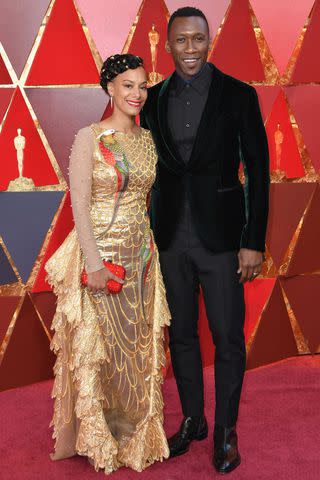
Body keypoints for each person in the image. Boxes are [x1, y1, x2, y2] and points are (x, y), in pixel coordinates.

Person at [140, 6, 269, 475]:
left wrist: (253, 241)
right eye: (181, 41)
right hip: (170, 239)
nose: (190, 49)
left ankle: (226, 431)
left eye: (198, 40)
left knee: (228, 339)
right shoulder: (151, 100)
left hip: (223, 242)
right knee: (181, 336)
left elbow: (257, 170)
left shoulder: (238, 95)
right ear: (168, 44)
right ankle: (193, 419)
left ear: (208, 41)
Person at [45, 54, 170, 474]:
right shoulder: (90, 138)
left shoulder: (149, 140)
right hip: (99, 257)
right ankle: (102, 437)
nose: (137, 94)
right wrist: (94, 263)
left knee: (135, 347)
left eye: (142, 85)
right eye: (128, 85)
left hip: (141, 258)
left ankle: (135, 431)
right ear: (110, 90)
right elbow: (79, 204)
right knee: (100, 350)